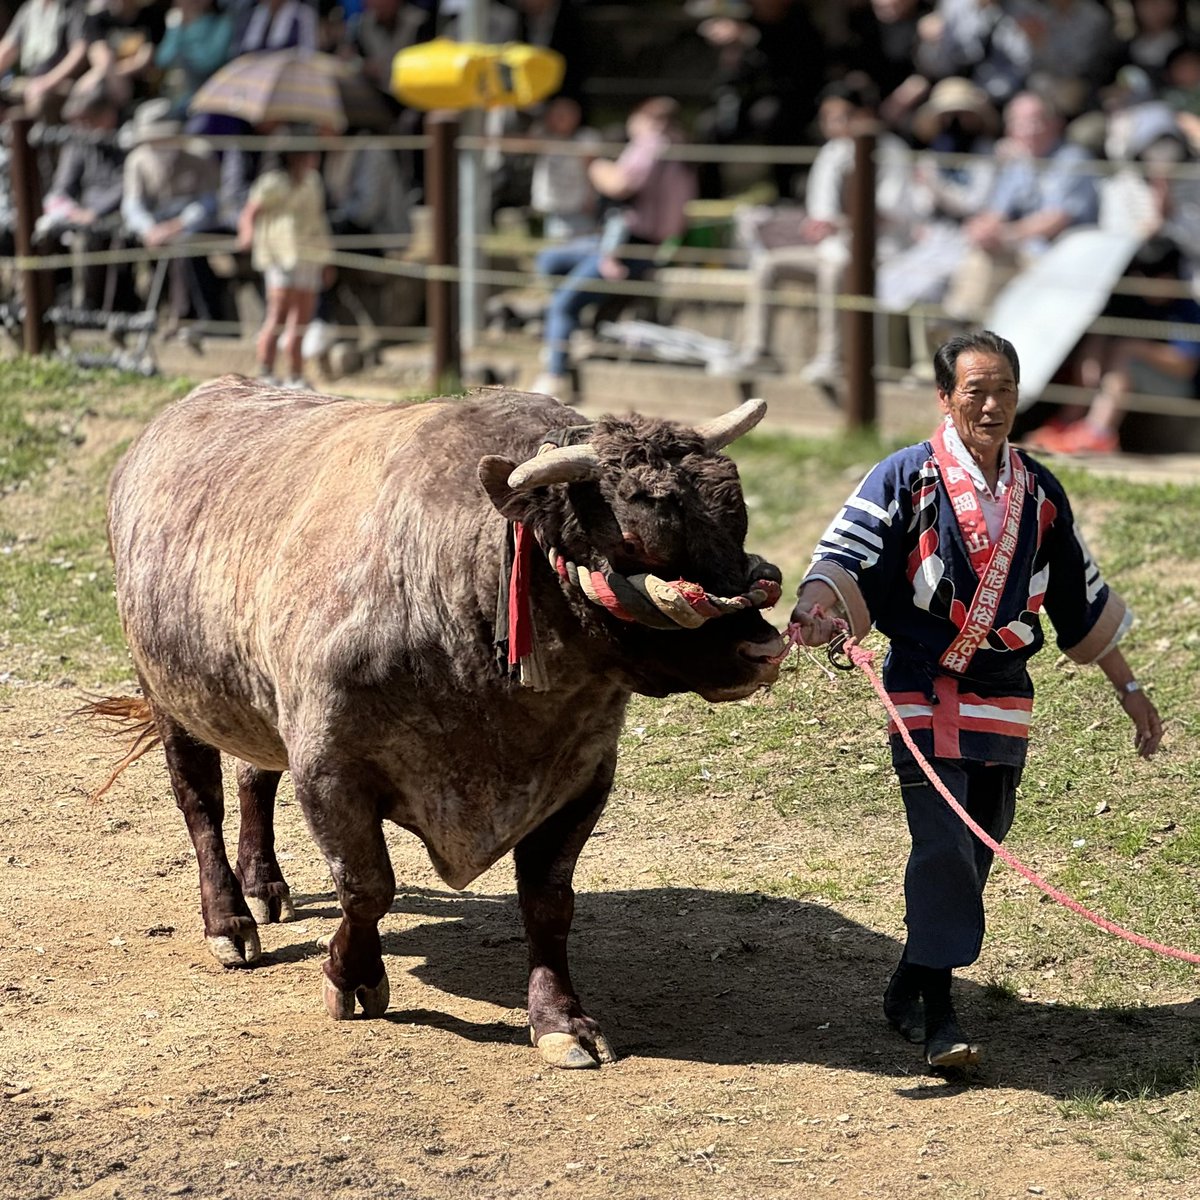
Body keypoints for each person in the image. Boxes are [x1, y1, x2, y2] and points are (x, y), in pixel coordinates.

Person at [790, 329, 1163, 1070]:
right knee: (942, 841)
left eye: (1004, 392)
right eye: (975, 392)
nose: (991, 407)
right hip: (922, 681)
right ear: (944, 399)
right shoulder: (905, 476)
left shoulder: (1040, 492)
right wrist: (815, 607)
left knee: (981, 840)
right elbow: (844, 555)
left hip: (1001, 691)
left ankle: (911, 978)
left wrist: (1129, 687)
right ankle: (940, 1016)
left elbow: (1078, 599)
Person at [708, 75, 916, 393]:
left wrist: (840, 224)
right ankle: (759, 350)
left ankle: (831, 358)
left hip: (880, 253)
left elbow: (890, 214)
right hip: (832, 249)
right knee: (769, 265)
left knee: (833, 272)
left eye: (840, 116)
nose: (832, 124)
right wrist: (818, 226)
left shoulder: (892, 152)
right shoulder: (832, 152)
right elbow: (821, 212)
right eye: (828, 117)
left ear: (864, 115)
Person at [530, 96, 697, 401]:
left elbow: (620, 184)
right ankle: (568, 335)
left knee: (564, 304)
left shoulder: (651, 146)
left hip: (627, 248)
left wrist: (594, 165)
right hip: (625, 243)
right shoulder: (682, 153)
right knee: (549, 260)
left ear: (644, 118)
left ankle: (556, 375)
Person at [1023, 237, 1200, 454]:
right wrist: (1092, 359)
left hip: (1175, 386)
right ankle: (1066, 424)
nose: (1148, 287)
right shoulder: (1133, 300)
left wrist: (1136, 348)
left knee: (1123, 360)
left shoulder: (1187, 309)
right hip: (1113, 376)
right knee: (1099, 350)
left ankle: (1098, 432)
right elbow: (1103, 332)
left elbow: (1186, 366)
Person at [944, 90, 1098, 320]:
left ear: (1055, 123)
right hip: (1020, 250)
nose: (1028, 129)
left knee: (988, 260)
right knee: (978, 255)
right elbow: (996, 211)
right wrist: (982, 229)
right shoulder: (1019, 162)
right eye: (1020, 122)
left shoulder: (1074, 159)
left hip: (1061, 255)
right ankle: (960, 328)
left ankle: (961, 331)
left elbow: (1057, 219)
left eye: (1036, 121)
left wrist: (1005, 235)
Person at [237, 126, 333, 388]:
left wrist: (327, 259)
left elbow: (319, 220)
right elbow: (250, 213)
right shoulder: (272, 183)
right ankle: (265, 369)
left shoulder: (314, 182)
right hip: (281, 256)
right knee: (277, 315)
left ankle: (295, 375)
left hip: (309, 255)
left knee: (301, 318)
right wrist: (246, 233)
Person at [529, 95, 602, 243]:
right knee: (556, 242)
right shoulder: (543, 135)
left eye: (564, 115)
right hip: (554, 204)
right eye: (555, 114)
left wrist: (591, 197)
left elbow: (593, 169)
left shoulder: (586, 138)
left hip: (577, 205)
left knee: (578, 244)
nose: (559, 119)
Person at [0, 0, 89, 119]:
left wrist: (46, 82)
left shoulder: (71, 8)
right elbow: (8, 48)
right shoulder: (29, 10)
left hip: (61, 82)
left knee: (41, 102)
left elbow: (79, 51)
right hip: (30, 81)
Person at [154, 0, 234, 120]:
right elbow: (162, 60)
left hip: (209, 99)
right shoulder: (177, 26)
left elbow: (208, 61)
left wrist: (188, 30)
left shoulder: (223, 23)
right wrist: (180, 27)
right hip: (177, 101)